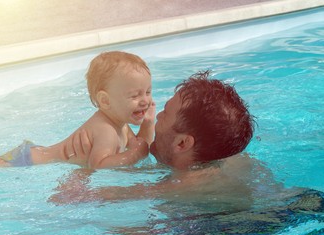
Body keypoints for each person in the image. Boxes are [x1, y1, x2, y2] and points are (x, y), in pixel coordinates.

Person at [50, 70, 258, 205]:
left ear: (182, 143)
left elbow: (65, 199)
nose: (158, 115)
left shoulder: (175, 188)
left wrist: (82, 168)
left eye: (165, 113)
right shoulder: (227, 156)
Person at [0, 51, 155, 172]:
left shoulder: (121, 124)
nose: (144, 101)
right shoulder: (106, 129)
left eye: (148, 92)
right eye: (135, 96)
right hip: (28, 159)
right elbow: (99, 164)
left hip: (36, 152)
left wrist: (148, 124)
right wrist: (135, 154)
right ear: (105, 101)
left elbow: (140, 145)